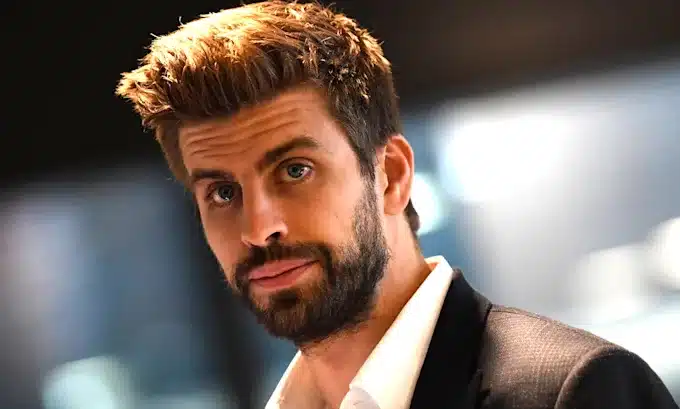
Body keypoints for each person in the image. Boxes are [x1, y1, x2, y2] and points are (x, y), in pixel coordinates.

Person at [115, 1, 679, 408]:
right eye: (222, 193)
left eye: (295, 170)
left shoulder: (572, 392)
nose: (259, 228)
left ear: (390, 175)